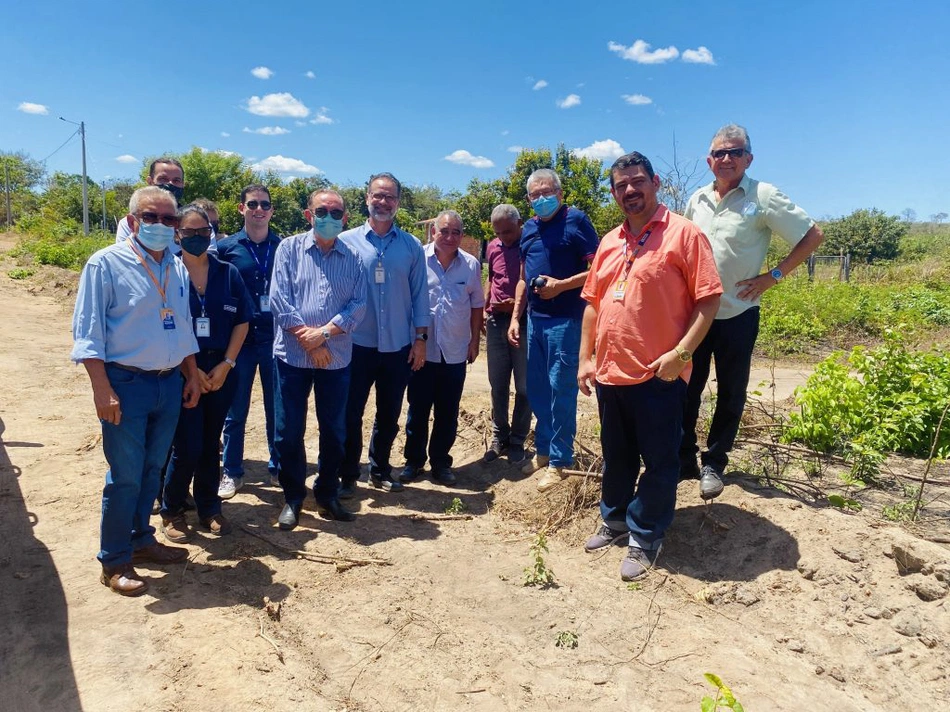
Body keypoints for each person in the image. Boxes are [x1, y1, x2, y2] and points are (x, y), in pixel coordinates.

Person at [579, 152, 723, 581]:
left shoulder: (684, 234)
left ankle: (645, 536)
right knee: (617, 455)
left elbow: (709, 299)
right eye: (621, 185)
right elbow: (592, 303)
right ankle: (616, 518)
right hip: (609, 373)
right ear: (613, 192)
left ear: (656, 182)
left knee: (660, 461)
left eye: (637, 181)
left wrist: (680, 354)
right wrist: (586, 359)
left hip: (658, 373)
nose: (629, 191)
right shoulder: (609, 242)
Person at [681, 125, 824, 499]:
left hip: (738, 313)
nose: (726, 159)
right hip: (696, 312)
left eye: (734, 152)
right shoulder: (696, 199)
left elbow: (812, 235)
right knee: (685, 387)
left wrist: (773, 276)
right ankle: (683, 459)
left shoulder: (763, 196)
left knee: (730, 392)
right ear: (709, 160)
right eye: (719, 153)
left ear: (748, 158)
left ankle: (714, 463)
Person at [71, 186, 202, 596]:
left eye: (169, 219)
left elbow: (181, 325)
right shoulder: (105, 264)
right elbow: (88, 334)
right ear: (132, 221)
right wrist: (101, 390)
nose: (161, 225)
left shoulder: (176, 266)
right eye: (152, 217)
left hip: (168, 381)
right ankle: (114, 560)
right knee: (125, 475)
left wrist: (192, 375)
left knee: (151, 470)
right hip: (125, 384)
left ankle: (142, 539)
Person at [269, 190, 367, 530]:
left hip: (335, 359)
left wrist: (323, 335)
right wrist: (309, 341)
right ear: (308, 214)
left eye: (336, 212)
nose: (329, 216)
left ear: (345, 217)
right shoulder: (289, 249)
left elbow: (358, 305)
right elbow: (279, 299)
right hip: (292, 357)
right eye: (322, 210)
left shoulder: (353, 257)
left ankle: (326, 493)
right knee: (287, 432)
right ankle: (293, 498)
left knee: (335, 431)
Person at [160, 204, 253, 543]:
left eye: (204, 232)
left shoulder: (228, 273)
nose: (197, 238)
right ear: (177, 235)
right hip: (184, 369)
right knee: (187, 445)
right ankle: (171, 510)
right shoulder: (168, 274)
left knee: (211, 442)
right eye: (189, 233)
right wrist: (192, 372)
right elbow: (169, 324)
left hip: (221, 370)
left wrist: (227, 365)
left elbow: (243, 320)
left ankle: (209, 508)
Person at [507, 168, 599, 491]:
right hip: (535, 321)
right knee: (537, 389)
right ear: (529, 199)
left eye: (547, 192)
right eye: (535, 194)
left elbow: (599, 270)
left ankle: (561, 461)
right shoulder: (529, 228)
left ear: (560, 194)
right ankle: (544, 451)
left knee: (561, 390)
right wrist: (517, 318)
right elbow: (522, 277)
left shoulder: (576, 221)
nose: (542, 199)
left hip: (567, 321)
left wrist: (561, 286)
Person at [339, 173, 429, 495]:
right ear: (366, 198)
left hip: (397, 346)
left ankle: (379, 470)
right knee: (351, 413)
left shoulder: (411, 246)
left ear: (398, 203)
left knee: (389, 415)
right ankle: (348, 475)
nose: (383, 202)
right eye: (378, 195)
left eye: (390, 197)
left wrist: (421, 339)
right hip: (355, 345)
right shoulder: (346, 241)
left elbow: (421, 296)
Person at [400, 211, 484, 485]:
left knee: (448, 412)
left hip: (455, 350)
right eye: (444, 231)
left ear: (462, 235)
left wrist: (473, 341)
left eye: (456, 232)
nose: (450, 237)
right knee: (418, 409)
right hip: (421, 350)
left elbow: (476, 306)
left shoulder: (471, 265)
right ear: (433, 231)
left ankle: (440, 463)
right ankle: (413, 462)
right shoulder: (417, 260)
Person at [216, 185, 282, 498]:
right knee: (235, 411)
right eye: (252, 204)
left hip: (274, 340)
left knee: (276, 408)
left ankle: (278, 467)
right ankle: (231, 471)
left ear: (271, 210)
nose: (259, 209)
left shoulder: (283, 247)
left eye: (264, 205)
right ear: (242, 208)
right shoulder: (226, 247)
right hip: (238, 341)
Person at [482, 204, 530, 464]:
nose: (504, 237)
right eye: (499, 233)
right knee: (497, 385)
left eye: (508, 232)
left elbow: (532, 284)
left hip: (523, 323)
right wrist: (485, 307)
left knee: (524, 387)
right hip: (495, 322)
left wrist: (515, 306)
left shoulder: (530, 245)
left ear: (520, 223)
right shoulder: (492, 247)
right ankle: (499, 436)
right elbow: (491, 277)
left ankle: (518, 439)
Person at [115, 157, 186, 243]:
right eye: (163, 179)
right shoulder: (132, 222)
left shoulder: (194, 222)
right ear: (150, 181)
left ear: (183, 184)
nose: (170, 184)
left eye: (176, 180)